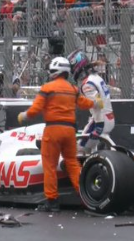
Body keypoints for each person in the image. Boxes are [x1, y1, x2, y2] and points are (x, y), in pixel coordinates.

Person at [17, 57, 103, 212]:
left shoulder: (47, 88)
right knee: (72, 163)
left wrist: (24, 115)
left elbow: (35, 109)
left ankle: (52, 200)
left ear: (54, 71)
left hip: (53, 130)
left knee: (49, 165)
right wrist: (96, 103)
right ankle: (84, 196)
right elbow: (84, 103)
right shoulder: (72, 89)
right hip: (70, 131)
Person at [67, 50, 114, 155]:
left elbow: (98, 103)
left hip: (100, 122)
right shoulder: (96, 77)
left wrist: (80, 102)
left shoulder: (87, 83)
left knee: (78, 150)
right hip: (108, 117)